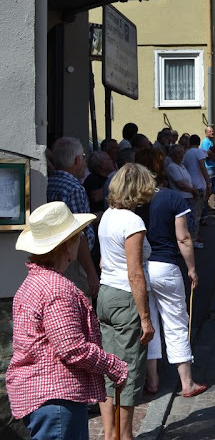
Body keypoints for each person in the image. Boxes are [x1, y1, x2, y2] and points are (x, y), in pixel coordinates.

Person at [7, 202, 128, 440]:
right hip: (56, 398)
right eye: (77, 236)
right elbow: (72, 347)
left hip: (46, 397)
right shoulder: (56, 289)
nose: (80, 241)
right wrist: (114, 367)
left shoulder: (33, 283)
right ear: (66, 245)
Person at [134, 151, 206, 399]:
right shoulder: (172, 198)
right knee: (176, 322)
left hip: (141, 267)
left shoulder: (134, 201)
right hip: (165, 266)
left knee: (149, 323)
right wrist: (192, 268)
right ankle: (187, 382)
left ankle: (152, 380)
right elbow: (183, 238)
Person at [97, 163, 156, 440]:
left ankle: (111, 434)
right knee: (129, 370)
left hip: (106, 293)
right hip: (124, 297)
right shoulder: (132, 222)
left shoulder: (107, 216)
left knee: (108, 367)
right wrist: (145, 318)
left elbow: (103, 260)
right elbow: (135, 273)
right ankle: (125, 435)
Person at [47, 137, 100, 298]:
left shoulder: (49, 181)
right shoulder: (74, 188)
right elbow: (78, 233)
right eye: (83, 157)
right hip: (73, 260)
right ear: (77, 160)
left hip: (54, 255)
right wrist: (91, 273)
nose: (85, 162)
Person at [166, 145, 201, 247]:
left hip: (189, 196)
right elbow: (180, 184)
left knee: (191, 221)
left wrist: (194, 189)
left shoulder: (181, 165)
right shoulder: (172, 167)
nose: (181, 154)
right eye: (178, 152)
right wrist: (193, 191)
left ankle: (191, 242)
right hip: (182, 198)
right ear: (172, 155)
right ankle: (184, 246)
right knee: (185, 223)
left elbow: (188, 180)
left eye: (182, 152)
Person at [183, 135, 211, 243]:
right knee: (197, 214)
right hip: (199, 185)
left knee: (190, 213)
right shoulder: (199, 152)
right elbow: (203, 167)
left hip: (190, 185)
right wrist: (208, 183)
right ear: (198, 143)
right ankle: (193, 239)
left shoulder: (186, 153)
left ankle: (191, 236)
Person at [201, 126, 215, 216]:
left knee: (212, 188)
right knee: (209, 188)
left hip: (211, 166)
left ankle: (208, 205)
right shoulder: (206, 142)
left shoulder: (210, 141)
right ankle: (206, 206)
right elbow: (207, 154)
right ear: (206, 133)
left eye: (212, 131)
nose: (212, 133)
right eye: (210, 132)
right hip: (209, 167)